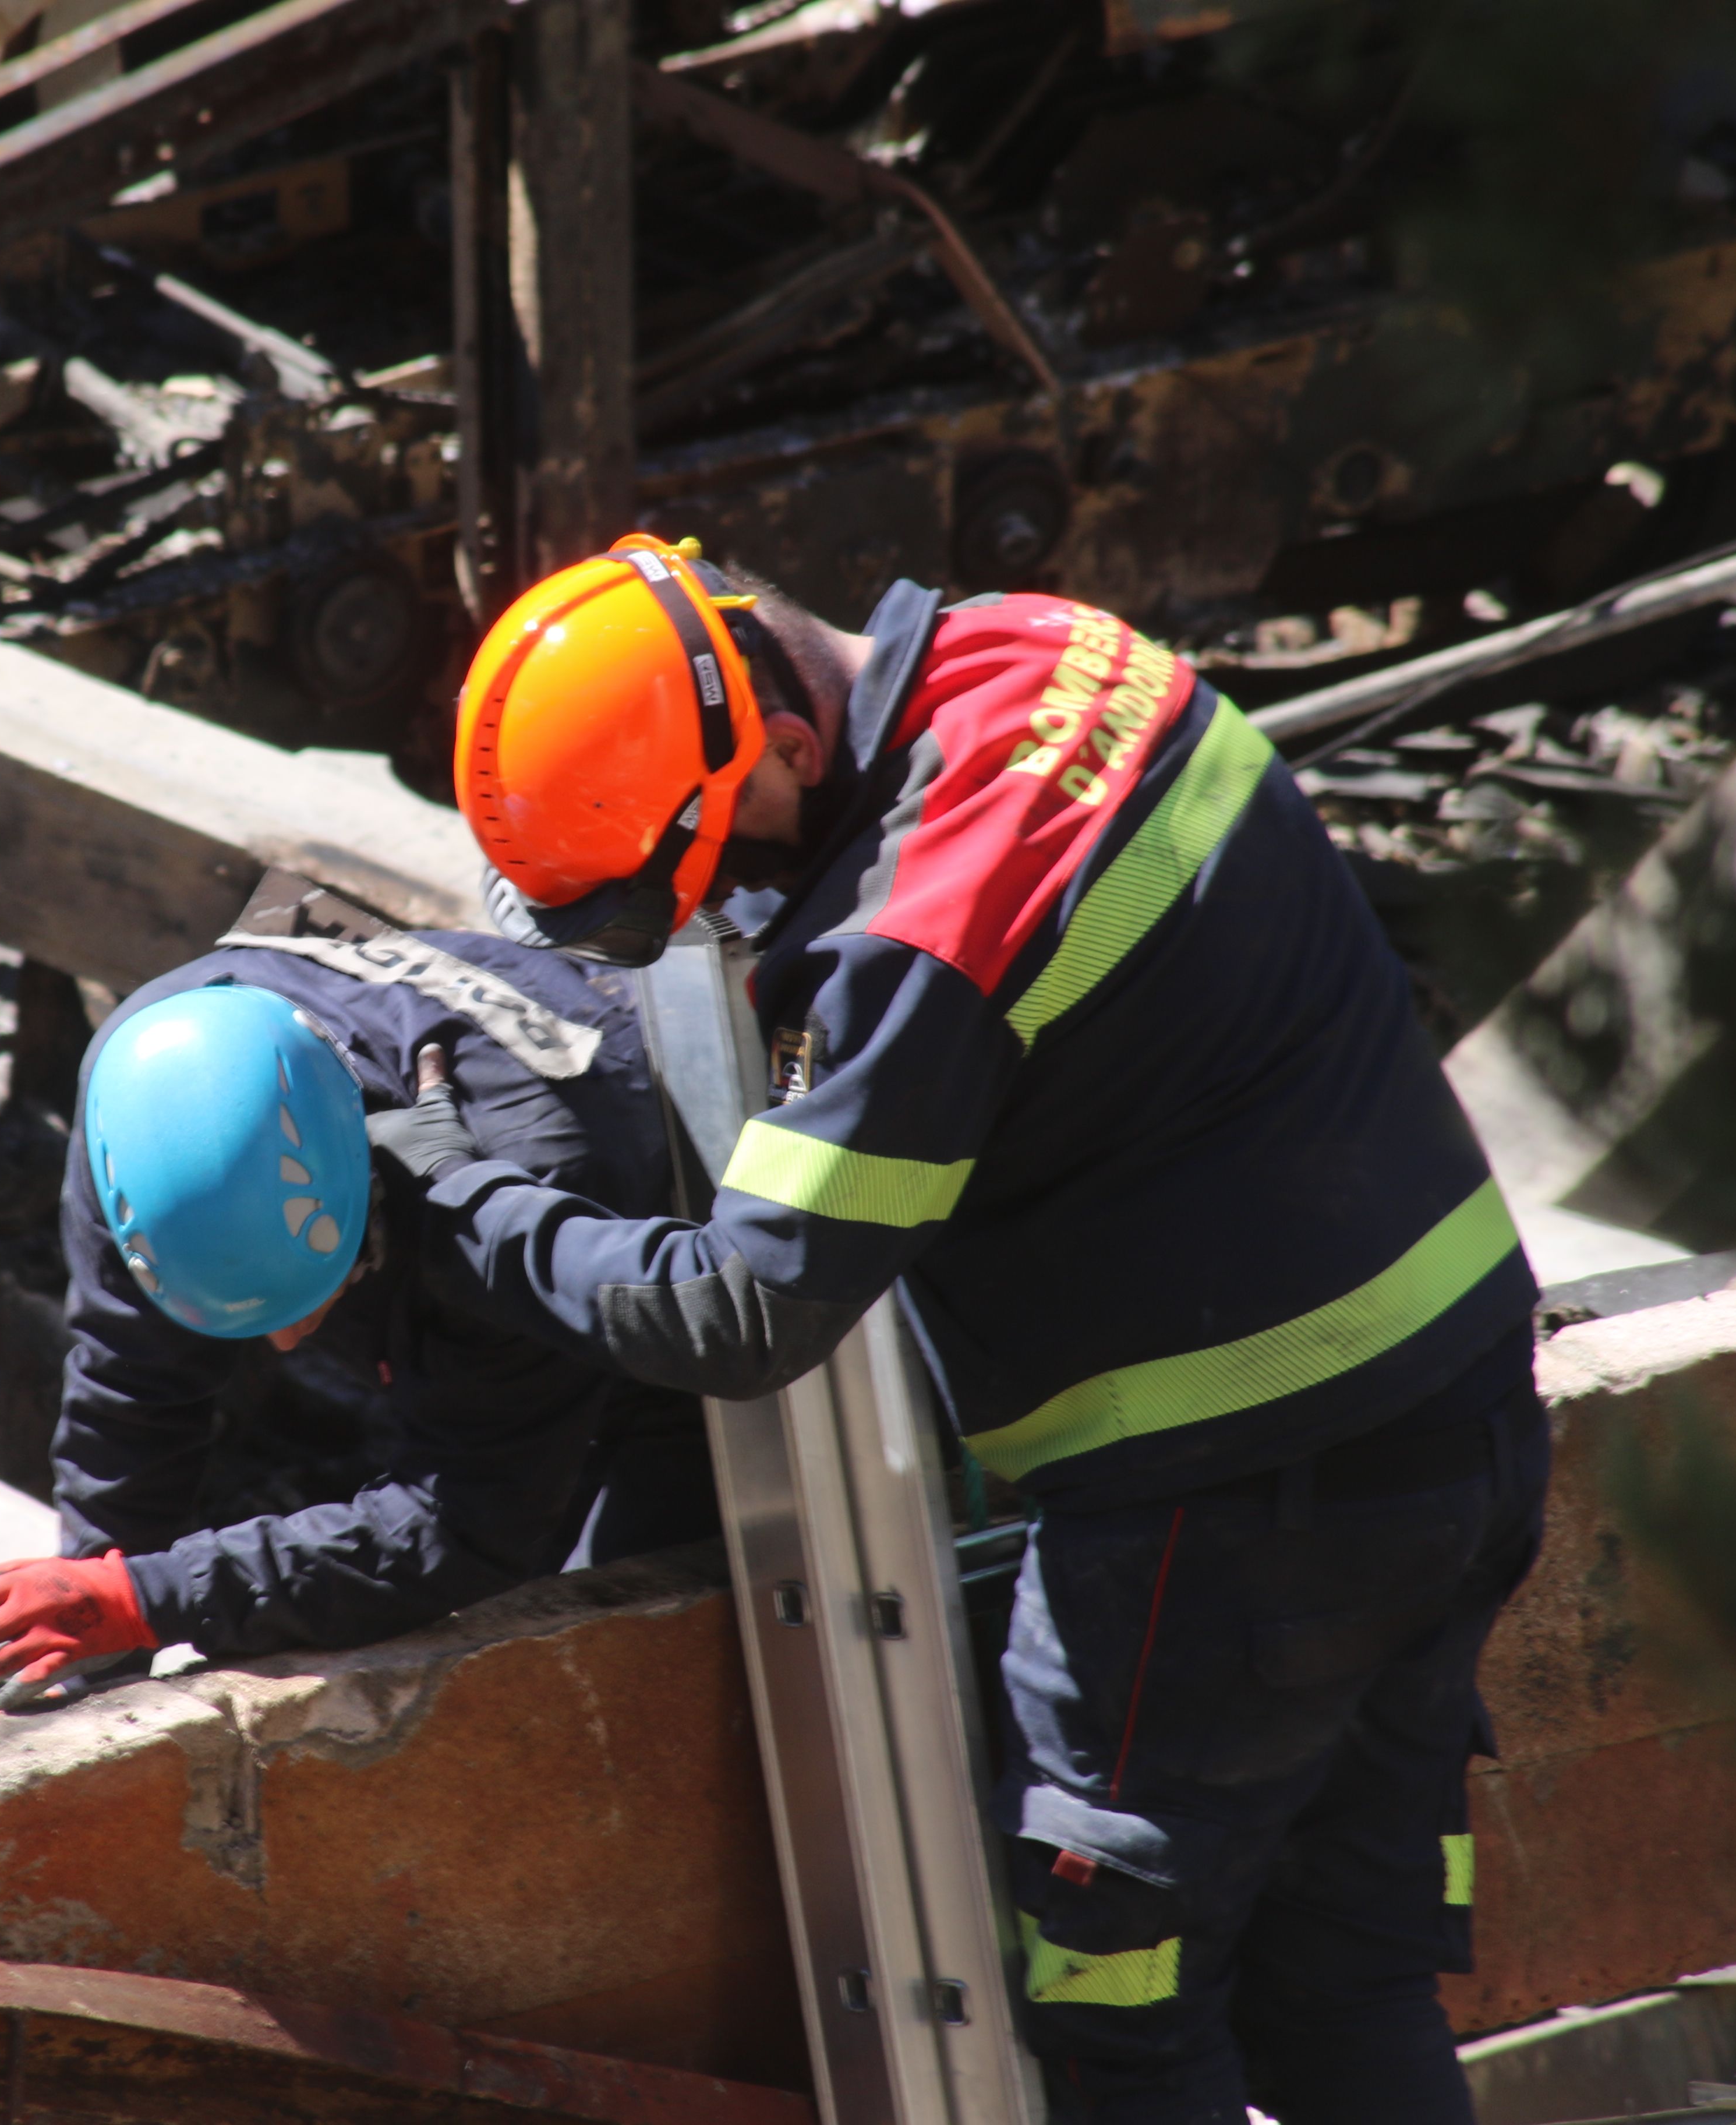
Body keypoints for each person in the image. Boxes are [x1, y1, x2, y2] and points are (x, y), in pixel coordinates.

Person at [366, 534, 1547, 2125]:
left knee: (1122, 2016)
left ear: (792, 748)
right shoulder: (1057, 648)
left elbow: (739, 1310)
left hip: (1232, 1516)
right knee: (1350, 1978)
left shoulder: (920, 934)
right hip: (1465, 1412)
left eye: (706, 861)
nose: (716, 902)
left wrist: (463, 1192)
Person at [0, 873, 716, 1714]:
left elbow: (466, 1527)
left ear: (368, 1189)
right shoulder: (147, 1087)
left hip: (646, 1265)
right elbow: (131, 1379)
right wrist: (93, 1605)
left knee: (616, 1635)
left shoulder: (516, 1198)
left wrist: (155, 1599)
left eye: (315, 1296)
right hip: (431, 1172)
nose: (286, 1347)